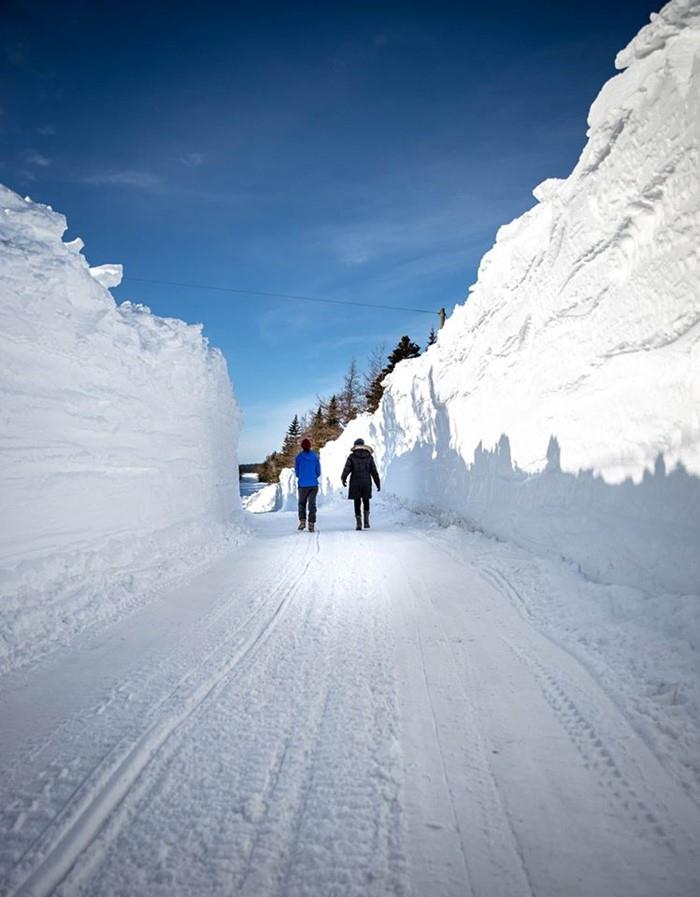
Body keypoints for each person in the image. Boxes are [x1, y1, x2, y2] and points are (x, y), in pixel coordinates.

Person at [341, 438, 380, 530]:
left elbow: (347, 469)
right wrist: (377, 483)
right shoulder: (369, 457)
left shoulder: (352, 457)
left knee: (357, 501)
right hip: (366, 482)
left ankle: (359, 523)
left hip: (355, 482)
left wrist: (343, 478)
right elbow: (374, 471)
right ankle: (366, 521)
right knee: (366, 500)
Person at [294, 437, 321, 532]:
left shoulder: (298, 457)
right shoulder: (315, 456)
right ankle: (311, 524)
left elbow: (297, 473)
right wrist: (313, 476)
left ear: (302, 447)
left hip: (302, 485)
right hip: (313, 484)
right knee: (312, 504)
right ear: (310, 446)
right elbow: (318, 472)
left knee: (302, 503)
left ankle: (302, 521)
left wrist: (303, 476)